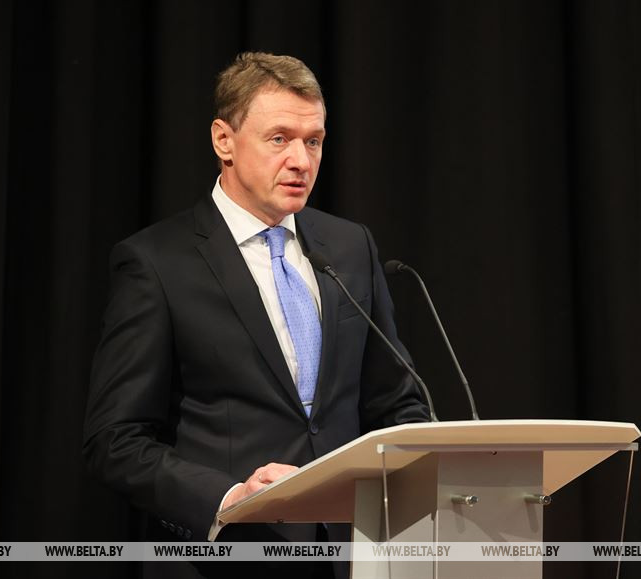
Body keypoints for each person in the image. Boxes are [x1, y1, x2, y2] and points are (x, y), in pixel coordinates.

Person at [82, 52, 429, 576]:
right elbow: (115, 440)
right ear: (224, 140)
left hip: (350, 556)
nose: (301, 161)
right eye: (279, 138)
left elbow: (397, 403)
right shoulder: (156, 263)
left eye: (314, 141)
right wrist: (228, 498)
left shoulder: (349, 247)